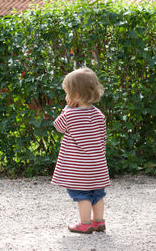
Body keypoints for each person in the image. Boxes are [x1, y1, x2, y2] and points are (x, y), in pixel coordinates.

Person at [52, 67, 111, 234]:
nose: (66, 97)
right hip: (98, 165)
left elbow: (58, 126)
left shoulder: (70, 114)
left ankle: (85, 223)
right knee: (97, 194)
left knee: (82, 195)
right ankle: (99, 221)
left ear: (75, 96)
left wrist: (66, 109)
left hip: (79, 168)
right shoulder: (99, 115)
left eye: (67, 93)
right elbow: (102, 138)